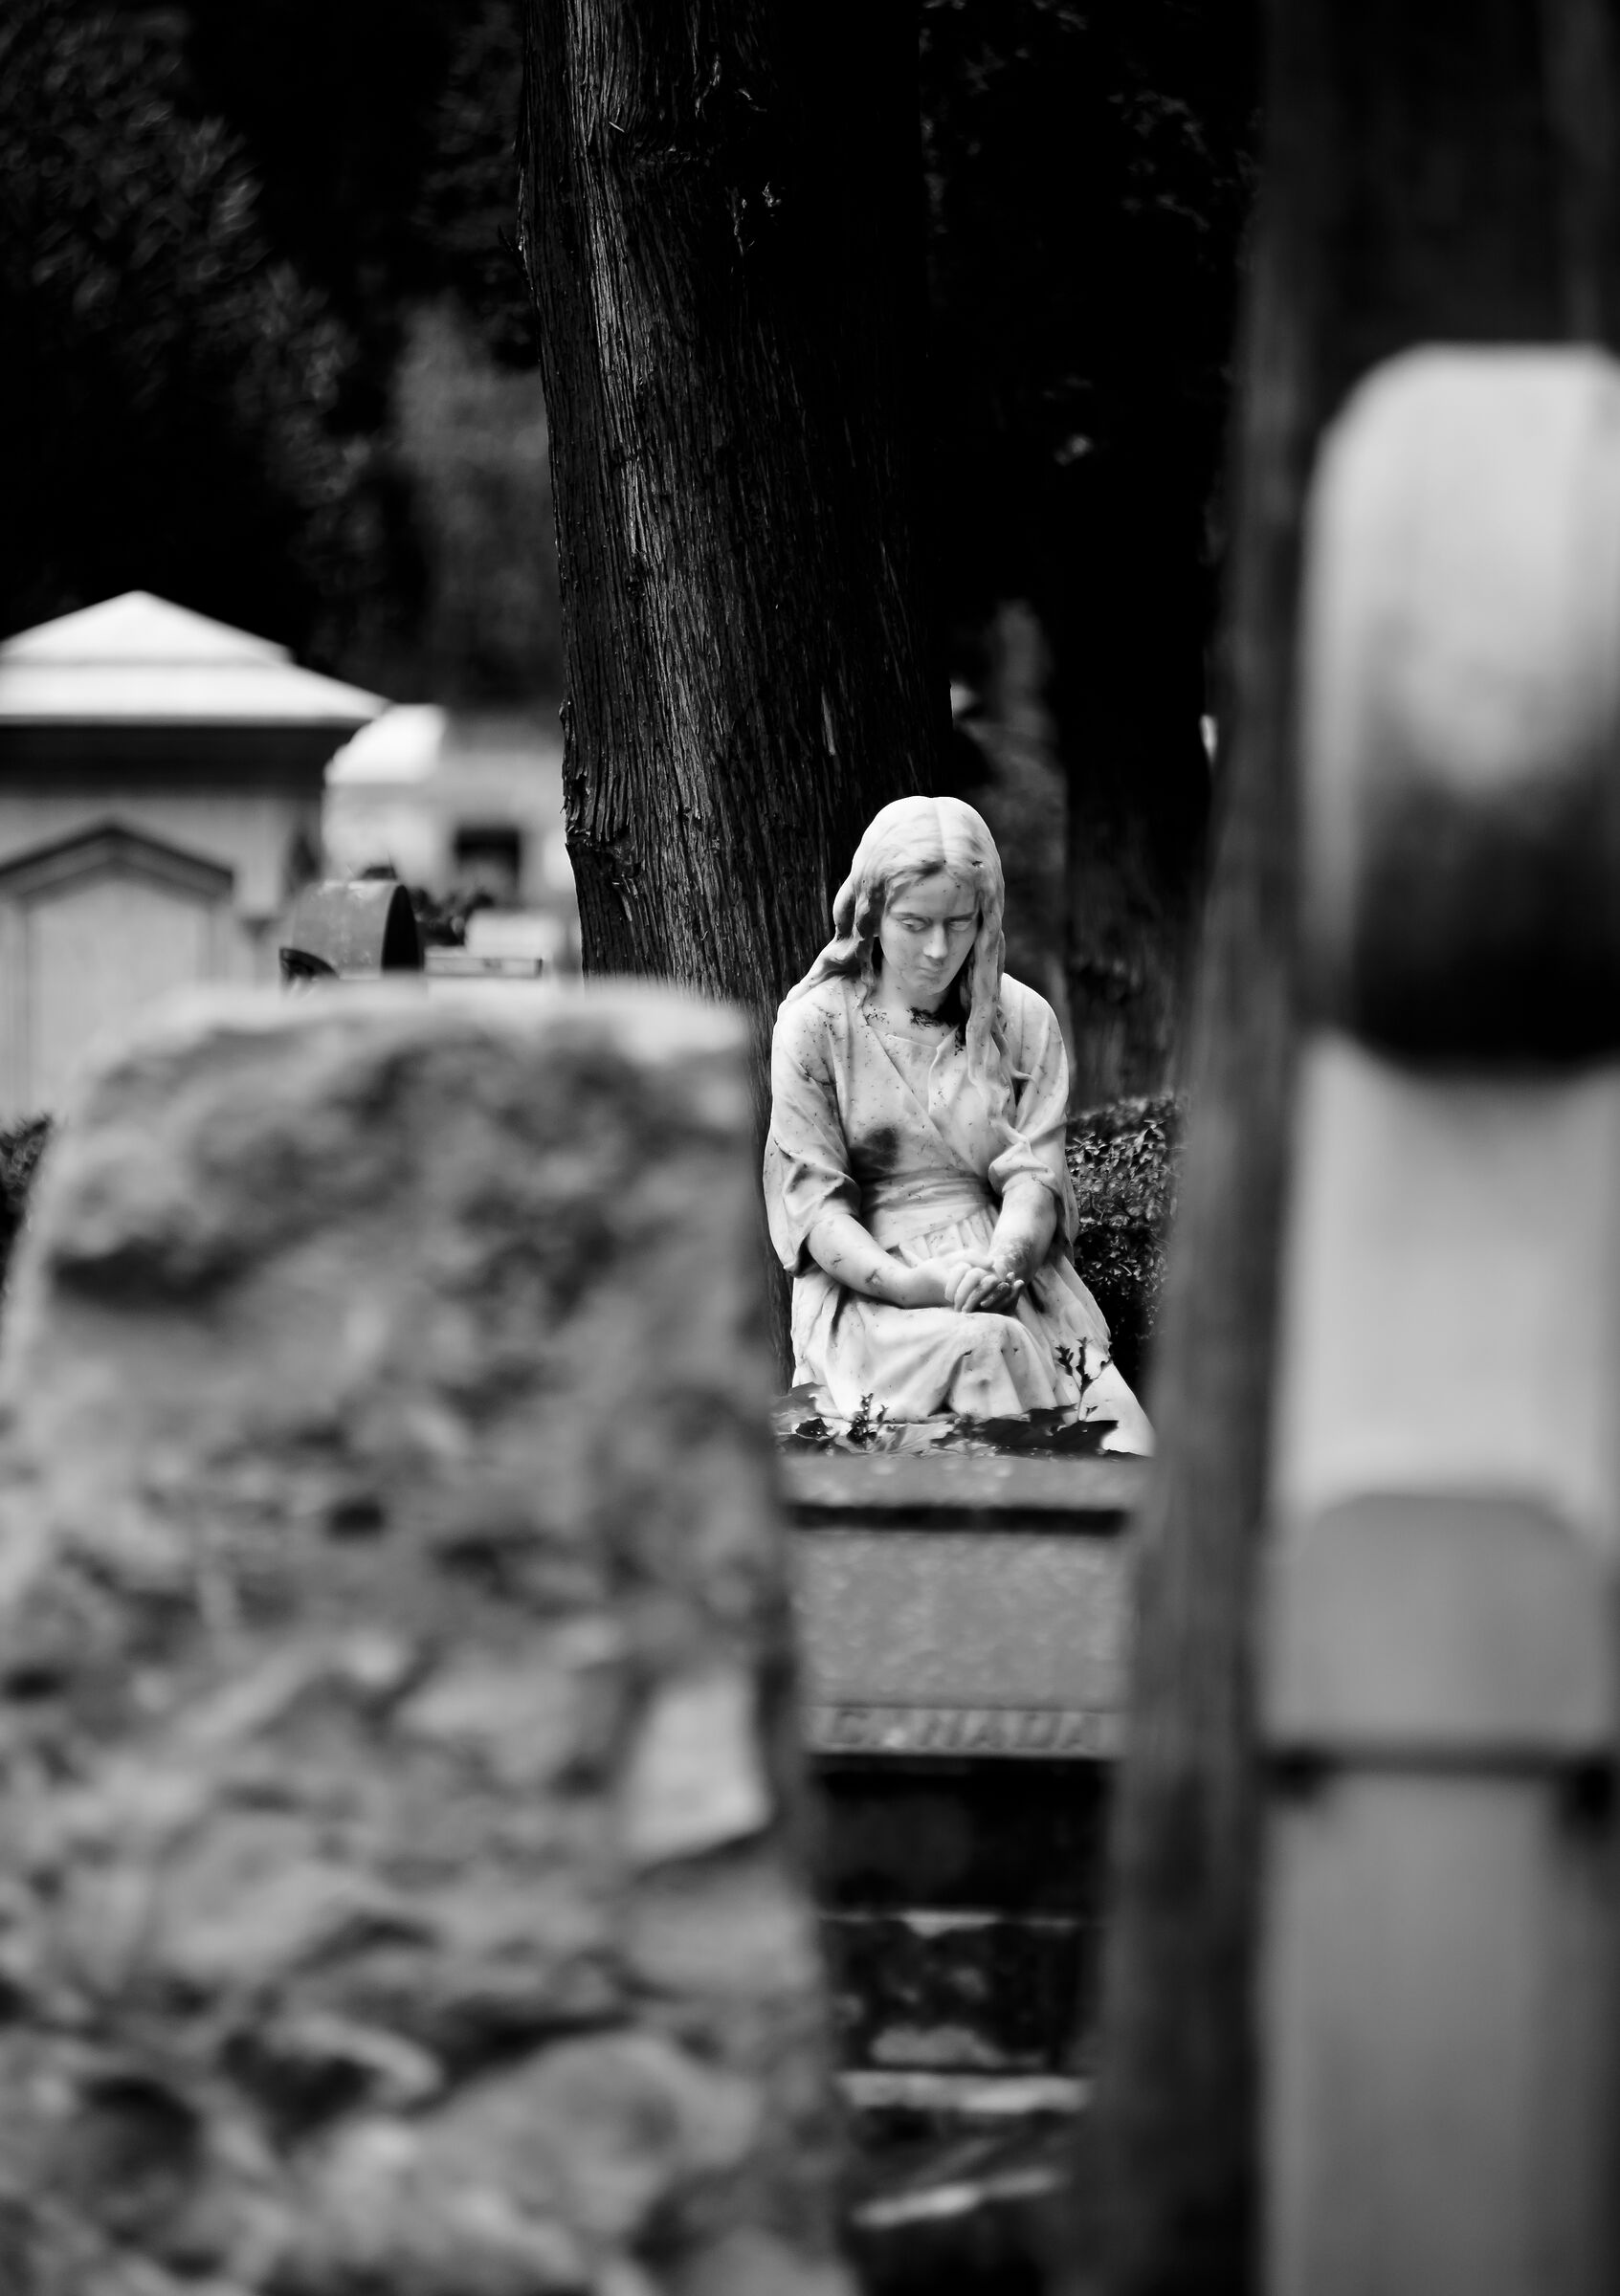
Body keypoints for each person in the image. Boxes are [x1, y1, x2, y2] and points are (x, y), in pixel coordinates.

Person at [764, 795, 1153, 1451]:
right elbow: (815, 1208)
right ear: (871, 913)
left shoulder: (1021, 1019)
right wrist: (916, 1286)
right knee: (985, 1353)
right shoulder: (818, 1025)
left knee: (1127, 1449)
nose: (937, 949)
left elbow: (1035, 1178)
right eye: (914, 922)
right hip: (874, 1286)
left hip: (1007, 1272)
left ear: (986, 917)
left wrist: (1001, 1267)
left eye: (960, 922)